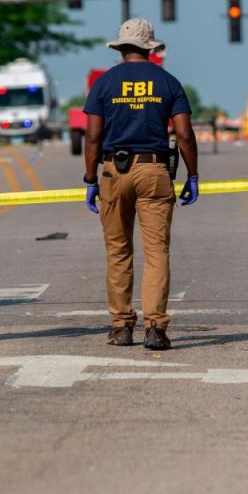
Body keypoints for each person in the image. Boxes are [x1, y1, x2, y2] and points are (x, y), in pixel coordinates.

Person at [83, 19, 198, 351]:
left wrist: (91, 179)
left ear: (120, 48)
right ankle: (155, 328)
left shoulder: (104, 84)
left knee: (118, 252)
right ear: (152, 48)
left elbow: (92, 137)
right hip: (154, 170)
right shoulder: (168, 82)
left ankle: (121, 327)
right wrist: (192, 175)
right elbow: (185, 135)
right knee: (156, 252)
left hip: (112, 171)